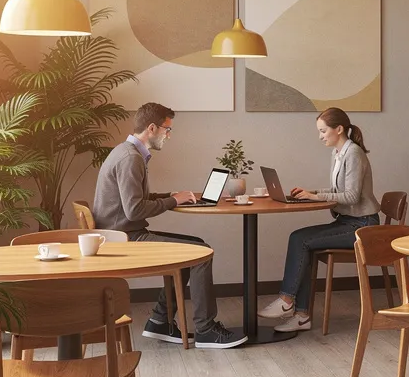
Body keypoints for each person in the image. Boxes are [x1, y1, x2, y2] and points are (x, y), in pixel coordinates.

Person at [93, 102, 248, 349]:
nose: (169, 135)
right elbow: (134, 210)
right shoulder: (130, 158)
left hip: (121, 232)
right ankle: (206, 330)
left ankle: (159, 321)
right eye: (167, 129)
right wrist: (172, 201)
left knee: (194, 247)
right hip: (124, 238)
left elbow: (133, 201)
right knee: (200, 253)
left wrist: (170, 194)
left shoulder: (127, 152)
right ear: (152, 128)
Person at [258, 107, 380, 333]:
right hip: (348, 222)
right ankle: (301, 316)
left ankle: (287, 301)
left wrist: (316, 196)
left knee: (300, 239)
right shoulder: (338, 153)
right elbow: (337, 190)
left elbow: (352, 197)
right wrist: (310, 192)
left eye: (323, 131)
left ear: (339, 129)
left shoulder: (353, 154)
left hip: (363, 225)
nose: (320, 136)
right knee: (305, 244)